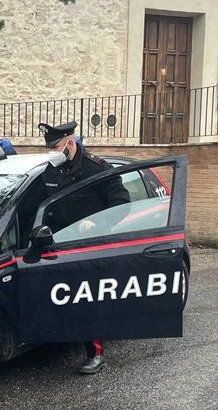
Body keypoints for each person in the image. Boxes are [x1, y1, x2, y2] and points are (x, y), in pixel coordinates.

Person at [37, 121, 131, 375]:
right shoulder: (51, 170)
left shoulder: (97, 168)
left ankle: (95, 353)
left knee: (88, 299)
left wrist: (97, 221)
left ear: (70, 143)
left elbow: (122, 203)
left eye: (55, 146)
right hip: (60, 245)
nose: (51, 152)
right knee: (64, 296)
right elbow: (38, 203)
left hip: (91, 246)